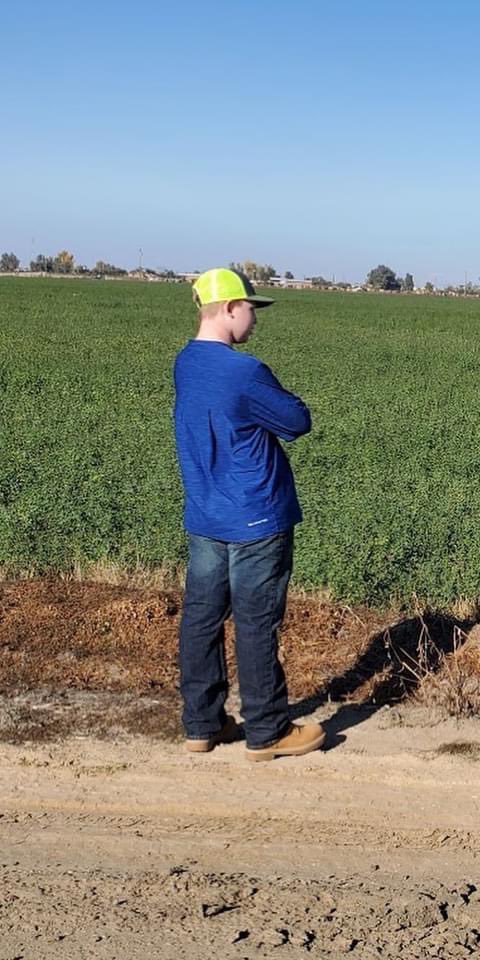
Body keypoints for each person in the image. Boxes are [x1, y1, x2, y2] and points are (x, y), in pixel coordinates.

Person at [174, 267, 325, 761]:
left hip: (206, 512)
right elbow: (296, 421)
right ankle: (267, 731)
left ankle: (202, 724)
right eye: (250, 310)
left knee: (202, 617)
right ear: (229, 309)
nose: (254, 321)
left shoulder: (186, 363)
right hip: (257, 514)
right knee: (257, 622)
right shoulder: (244, 371)